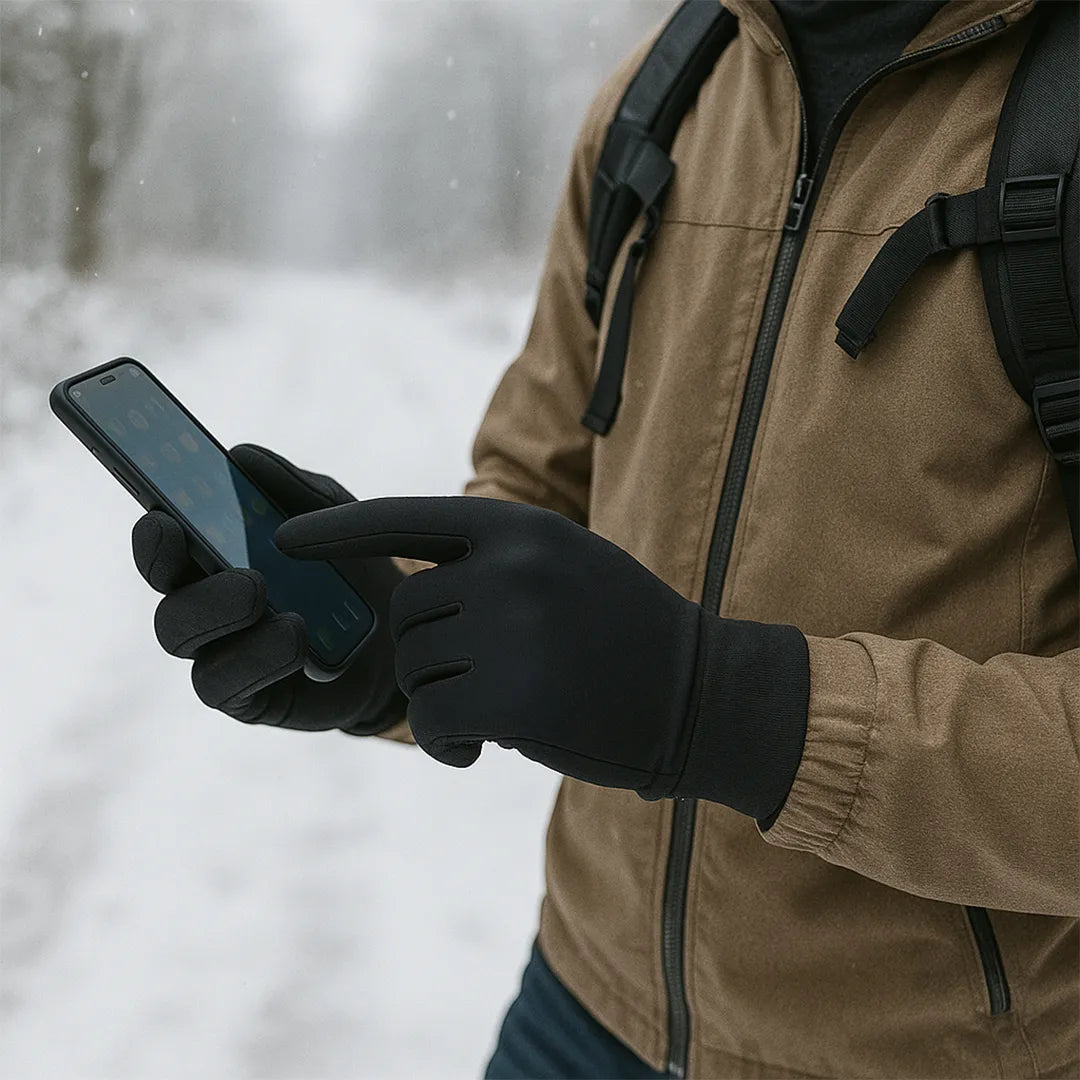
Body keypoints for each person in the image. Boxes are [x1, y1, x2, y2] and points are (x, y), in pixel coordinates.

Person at [130, 1, 1079, 1077]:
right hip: (584, 1003)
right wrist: (391, 644)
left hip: (942, 1056)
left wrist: (732, 709)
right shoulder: (666, 91)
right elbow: (537, 489)